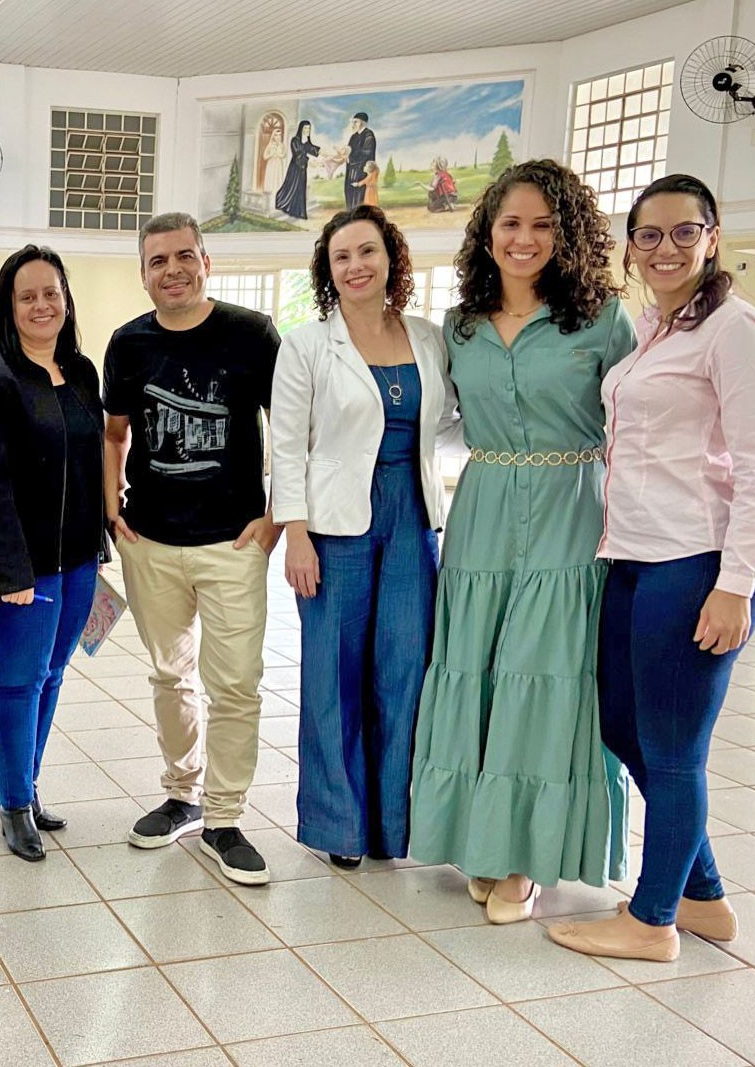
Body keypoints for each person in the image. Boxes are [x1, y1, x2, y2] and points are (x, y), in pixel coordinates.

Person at [550, 175, 755, 962]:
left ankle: (652, 921)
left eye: (685, 231)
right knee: (623, 725)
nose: (666, 248)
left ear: (713, 238)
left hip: (700, 562)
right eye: (649, 234)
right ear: (631, 246)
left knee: (675, 747)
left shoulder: (734, 330)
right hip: (636, 556)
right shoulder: (655, 328)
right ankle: (703, 898)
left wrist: (734, 585)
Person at [408, 159, 636, 923]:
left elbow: (638, 430)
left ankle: (525, 859)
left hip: (572, 513)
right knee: (474, 671)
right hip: (482, 510)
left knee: (543, 678)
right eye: (511, 223)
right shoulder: (459, 326)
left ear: (567, 234)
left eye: (543, 224)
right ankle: (482, 837)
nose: (525, 238)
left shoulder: (604, 320)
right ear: (488, 233)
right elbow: (440, 423)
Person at [273, 206, 458, 870]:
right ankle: (340, 826)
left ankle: (391, 825)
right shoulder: (305, 345)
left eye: (367, 251)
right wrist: (295, 534)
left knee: (405, 671)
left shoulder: (429, 337)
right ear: (328, 270)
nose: (356, 266)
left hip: (412, 516)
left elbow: (452, 423)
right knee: (334, 675)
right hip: (333, 527)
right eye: (342, 256)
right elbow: (286, 445)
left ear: (391, 257)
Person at [105, 211, 281, 886]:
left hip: (233, 541)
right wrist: (111, 504)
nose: (172, 270)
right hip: (151, 540)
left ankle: (225, 817)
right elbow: (115, 432)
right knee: (168, 675)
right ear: (143, 273)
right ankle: (183, 794)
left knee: (234, 684)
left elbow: (288, 427)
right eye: (158, 260)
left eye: (184, 256)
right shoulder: (128, 343)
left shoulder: (252, 333)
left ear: (206, 262)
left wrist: (274, 517)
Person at [0, 245, 106, 862]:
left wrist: (99, 542)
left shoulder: (82, 371)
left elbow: (91, 465)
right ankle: (17, 805)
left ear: (66, 299)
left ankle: (18, 780)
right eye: (28, 296)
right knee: (19, 680)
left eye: (51, 293)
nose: (42, 305)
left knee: (53, 673)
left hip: (78, 559)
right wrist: (10, 570)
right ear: (9, 306)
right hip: (19, 563)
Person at [275, 120, 321, 220]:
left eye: (309, 129)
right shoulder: (295, 140)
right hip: (295, 168)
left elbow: (314, 150)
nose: (307, 130)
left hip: (302, 169)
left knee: (301, 188)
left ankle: (299, 212)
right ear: (301, 129)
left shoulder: (306, 142)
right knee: (291, 187)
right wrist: (310, 162)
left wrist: (326, 154)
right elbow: (298, 155)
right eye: (305, 128)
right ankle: (283, 202)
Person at [343, 112, 377, 210]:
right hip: (351, 171)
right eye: (352, 122)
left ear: (363, 123)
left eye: (356, 122)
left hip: (362, 171)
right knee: (350, 192)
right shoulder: (353, 137)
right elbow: (348, 151)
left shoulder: (369, 135)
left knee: (359, 195)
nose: (353, 125)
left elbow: (366, 153)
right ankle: (350, 213)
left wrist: (351, 155)